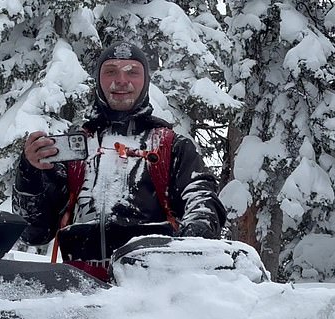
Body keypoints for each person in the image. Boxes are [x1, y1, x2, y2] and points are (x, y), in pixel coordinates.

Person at [13, 41, 226, 280]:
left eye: (132, 72)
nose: (121, 80)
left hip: (150, 288)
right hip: (80, 291)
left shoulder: (172, 147)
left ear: (145, 81)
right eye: (111, 71)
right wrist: (29, 173)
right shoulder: (75, 151)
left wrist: (190, 244)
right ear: (99, 81)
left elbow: (202, 200)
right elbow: (34, 233)